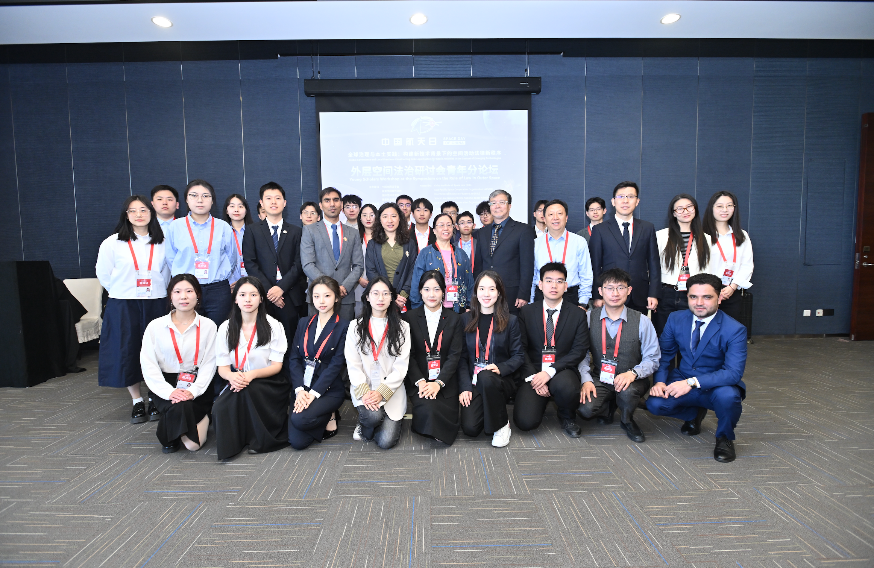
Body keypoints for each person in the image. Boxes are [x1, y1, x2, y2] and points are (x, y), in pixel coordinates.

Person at [646, 273, 747, 462]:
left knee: (729, 398)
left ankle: (724, 438)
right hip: (682, 376)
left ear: (719, 297)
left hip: (716, 385)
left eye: (707, 297)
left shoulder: (735, 329)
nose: (699, 303)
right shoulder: (676, 318)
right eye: (694, 297)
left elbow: (733, 373)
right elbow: (665, 355)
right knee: (655, 404)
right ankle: (694, 413)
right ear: (687, 297)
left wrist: (691, 383)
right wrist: (659, 382)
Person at [96, 195, 171, 423]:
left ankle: (155, 397)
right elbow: (104, 273)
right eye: (133, 210)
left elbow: (167, 272)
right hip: (124, 303)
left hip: (156, 301)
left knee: (157, 351)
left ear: (151, 213)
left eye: (143, 210)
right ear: (126, 215)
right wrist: (125, 291)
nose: (139, 214)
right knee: (128, 350)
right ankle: (137, 400)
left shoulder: (163, 241)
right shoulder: (112, 243)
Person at [577, 269, 660, 442]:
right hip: (600, 376)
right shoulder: (588, 318)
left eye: (620, 288)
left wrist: (633, 373)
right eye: (609, 288)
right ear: (600, 291)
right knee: (585, 410)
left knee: (627, 392)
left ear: (629, 290)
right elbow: (581, 353)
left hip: (632, 378)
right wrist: (585, 379)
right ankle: (610, 404)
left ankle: (627, 419)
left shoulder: (642, 321)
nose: (615, 293)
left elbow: (653, 358)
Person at [213, 277, 289, 460]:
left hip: (267, 381)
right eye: (242, 295)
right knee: (219, 408)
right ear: (235, 299)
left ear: (261, 299)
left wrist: (251, 375)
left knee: (249, 391)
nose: (248, 299)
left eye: (253, 295)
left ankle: (259, 439)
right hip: (237, 379)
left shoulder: (274, 326)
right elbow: (222, 368)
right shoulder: (225, 328)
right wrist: (232, 377)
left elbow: (276, 366)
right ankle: (238, 442)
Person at [141, 274, 217, 453]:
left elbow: (210, 364)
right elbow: (148, 364)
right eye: (177, 292)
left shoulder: (209, 326)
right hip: (166, 384)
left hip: (198, 385)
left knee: (193, 446)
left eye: (189, 291)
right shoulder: (155, 326)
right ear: (170, 296)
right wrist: (169, 392)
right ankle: (174, 424)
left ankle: (170, 431)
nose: (183, 297)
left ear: (198, 295)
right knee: (180, 405)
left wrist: (193, 391)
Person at [515, 263, 589, 438]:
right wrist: (535, 377)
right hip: (534, 371)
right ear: (540, 285)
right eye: (548, 281)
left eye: (559, 281)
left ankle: (567, 416)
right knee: (525, 422)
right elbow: (520, 348)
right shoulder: (526, 312)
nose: (554, 285)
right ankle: (541, 400)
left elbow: (579, 350)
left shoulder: (578, 314)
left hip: (562, 370)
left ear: (566, 285)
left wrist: (549, 372)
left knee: (567, 387)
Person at [458, 271, 525, 447]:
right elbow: (462, 358)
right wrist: (465, 387)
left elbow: (519, 356)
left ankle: (502, 425)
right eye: (482, 288)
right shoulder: (464, 319)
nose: (486, 294)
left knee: (487, 377)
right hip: (474, 381)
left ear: (499, 292)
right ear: (475, 292)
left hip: (501, 380)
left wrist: (501, 368)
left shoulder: (511, 321)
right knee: (470, 428)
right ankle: (491, 409)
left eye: (492, 289)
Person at [346, 277, 411, 449]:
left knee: (385, 442)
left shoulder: (403, 327)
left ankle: (377, 420)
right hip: (365, 388)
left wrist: (381, 393)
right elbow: (353, 364)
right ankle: (367, 422)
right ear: (367, 297)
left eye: (385, 294)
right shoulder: (355, 326)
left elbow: (401, 367)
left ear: (392, 298)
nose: (380, 298)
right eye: (375, 293)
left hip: (391, 389)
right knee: (373, 417)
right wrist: (366, 392)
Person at [164, 179, 238, 332]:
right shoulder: (175, 227)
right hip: (186, 289)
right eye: (194, 195)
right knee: (188, 332)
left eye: (205, 196)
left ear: (212, 200)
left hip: (217, 290)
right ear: (186, 200)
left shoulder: (223, 227)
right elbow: (171, 258)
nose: (200, 200)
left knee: (218, 333)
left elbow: (231, 257)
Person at [287, 276, 350, 450]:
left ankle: (329, 413)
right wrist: (299, 390)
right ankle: (325, 415)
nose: (321, 301)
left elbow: (336, 365)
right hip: (303, 386)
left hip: (328, 389)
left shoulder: (344, 326)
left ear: (336, 297)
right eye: (316, 296)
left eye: (327, 296)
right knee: (297, 442)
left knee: (299, 420)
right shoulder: (303, 323)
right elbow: (294, 358)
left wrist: (313, 395)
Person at [404, 270, 464, 445]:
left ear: (443, 292)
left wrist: (439, 383)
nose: (432, 294)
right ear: (420, 292)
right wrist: (421, 382)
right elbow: (408, 355)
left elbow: (454, 355)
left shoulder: (454, 319)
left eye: (437, 289)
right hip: (420, 380)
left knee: (446, 412)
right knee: (428, 408)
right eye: (427, 289)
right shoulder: (409, 318)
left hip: (445, 379)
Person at [241, 182, 303, 336]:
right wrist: (270, 291)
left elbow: (298, 263)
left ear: (285, 203)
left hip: (289, 294)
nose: (273, 202)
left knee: (289, 338)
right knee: (264, 338)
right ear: (261, 203)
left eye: (278, 198)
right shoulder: (252, 230)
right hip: (263, 295)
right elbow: (250, 262)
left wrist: (281, 288)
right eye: (268, 198)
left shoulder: (296, 231)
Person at [589, 182, 660, 314]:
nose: (625, 201)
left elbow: (654, 264)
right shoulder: (600, 230)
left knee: (638, 327)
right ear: (613, 201)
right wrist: (597, 295)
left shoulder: (647, 228)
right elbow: (594, 265)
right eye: (621, 196)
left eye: (630, 196)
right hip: (610, 295)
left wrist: (654, 293)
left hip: (640, 294)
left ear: (637, 201)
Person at [300, 187, 365, 321]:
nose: (332, 204)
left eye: (335, 200)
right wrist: (329, 287)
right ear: (320, 205)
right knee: (318, 333)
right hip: (319, 297)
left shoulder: (352, 233)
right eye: (327, 200)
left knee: (344, 333)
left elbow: (358, 266)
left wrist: (344, 287)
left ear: (341, 204)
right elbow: (307, 264)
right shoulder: (310, 230)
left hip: (345, 296)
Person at [654, 194, 711, 335]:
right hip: (666, 293)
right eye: (679, 208)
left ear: (695, 209)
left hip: (693, 294)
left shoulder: (706, 239)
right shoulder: (660, 236)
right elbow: (652, 267)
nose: (685, 211)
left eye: (689, 207)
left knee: (688, 337)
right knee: (664, 336)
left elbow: (709, 270)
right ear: (673, 213)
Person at [473, 190, 535, 315]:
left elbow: (527, 265)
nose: (497, 206)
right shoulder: (482, 232)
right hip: (486, 295)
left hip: (511, 294)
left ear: (509, 206)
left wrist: (523, 294)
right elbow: (479, 264)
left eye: (502, 202)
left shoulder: (523, 230)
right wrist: (477, 292)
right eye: (493, 203)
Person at [702, 191, 754, 326]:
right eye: (719, 206)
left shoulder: (742, 235)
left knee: (729, 330)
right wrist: (711, 290)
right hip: (706, 292)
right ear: (711, 208)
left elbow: (747, 265)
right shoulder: (701, 235)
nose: (725, 210)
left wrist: (732, 287)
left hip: (731, 292)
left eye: (729, 205)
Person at [530, 199, 592, 307]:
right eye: (551, 214)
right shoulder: (535, 244)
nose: (555, 217)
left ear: (566, 218)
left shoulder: (579, 242)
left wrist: (583, 303)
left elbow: (586, 274)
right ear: (544, 219)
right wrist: (530, 302)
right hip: (542, 297)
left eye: (559, 213)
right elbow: (532, 276)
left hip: (570, 296)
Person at [410, 213, 473, 313]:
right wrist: (417, 309)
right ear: (434, 230)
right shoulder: (425, 253)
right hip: (432, 308)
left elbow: (469, 282)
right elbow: (416, 282)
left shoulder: (461, 254)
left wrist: (469, 305)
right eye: (441, 225)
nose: (446, 228)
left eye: (449, 225)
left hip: (458, 308)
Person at [365, 202, 418, 312]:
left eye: (393, 216)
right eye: (385, 216)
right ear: (379, 220)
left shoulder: (410, 243)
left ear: (400, 218)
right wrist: (389, 295)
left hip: (404, 299)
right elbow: (371, 272)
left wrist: (402, 295)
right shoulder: (372, 244)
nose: (390, 220)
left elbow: (413, 271)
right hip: (380, 297)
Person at [223, 193, 254, 288]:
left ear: (246, 210)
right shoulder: (221, 232)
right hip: (229, 283)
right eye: (232, 206)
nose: (236, 210)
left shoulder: (255, 231)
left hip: (253, 283)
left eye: (240, 206)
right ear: (226, 210)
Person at [355, 203, 378, 317]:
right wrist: (359, 279)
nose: (368, 218)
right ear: (360, 218)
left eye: (371, 215)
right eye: (364, 215)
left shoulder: (382, 238)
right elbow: (348, 260)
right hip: (358, 284)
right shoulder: (354, 236)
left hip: (379, 284)